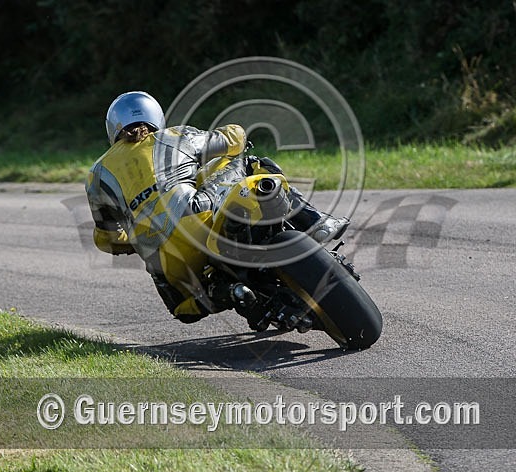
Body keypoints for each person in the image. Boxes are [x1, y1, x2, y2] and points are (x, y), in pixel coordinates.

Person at [85, 91, 349, 323]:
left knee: (182, 310)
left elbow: (106, 238)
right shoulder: (174, 137)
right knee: (253, 164)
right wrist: (237, 134)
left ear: (113, 128)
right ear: (155, 116)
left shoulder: (97, 175)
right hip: (196, 215)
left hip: (166, 259)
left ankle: (229, 292)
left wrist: (133, 239)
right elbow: (232, 139)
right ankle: (315, 222)